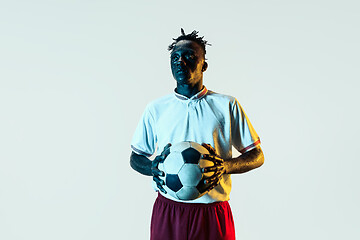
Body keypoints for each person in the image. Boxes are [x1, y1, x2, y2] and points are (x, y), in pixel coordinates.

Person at [130, 29, 264, 240]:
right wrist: (152, 166)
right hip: (169, 210)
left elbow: (257, 156)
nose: (180, 61)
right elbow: (136, 157)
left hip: (212, 211)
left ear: (204, 65)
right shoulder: (156, 109)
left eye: (189, 56)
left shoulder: (226, 105)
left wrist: (226, 166)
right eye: (175, 57)